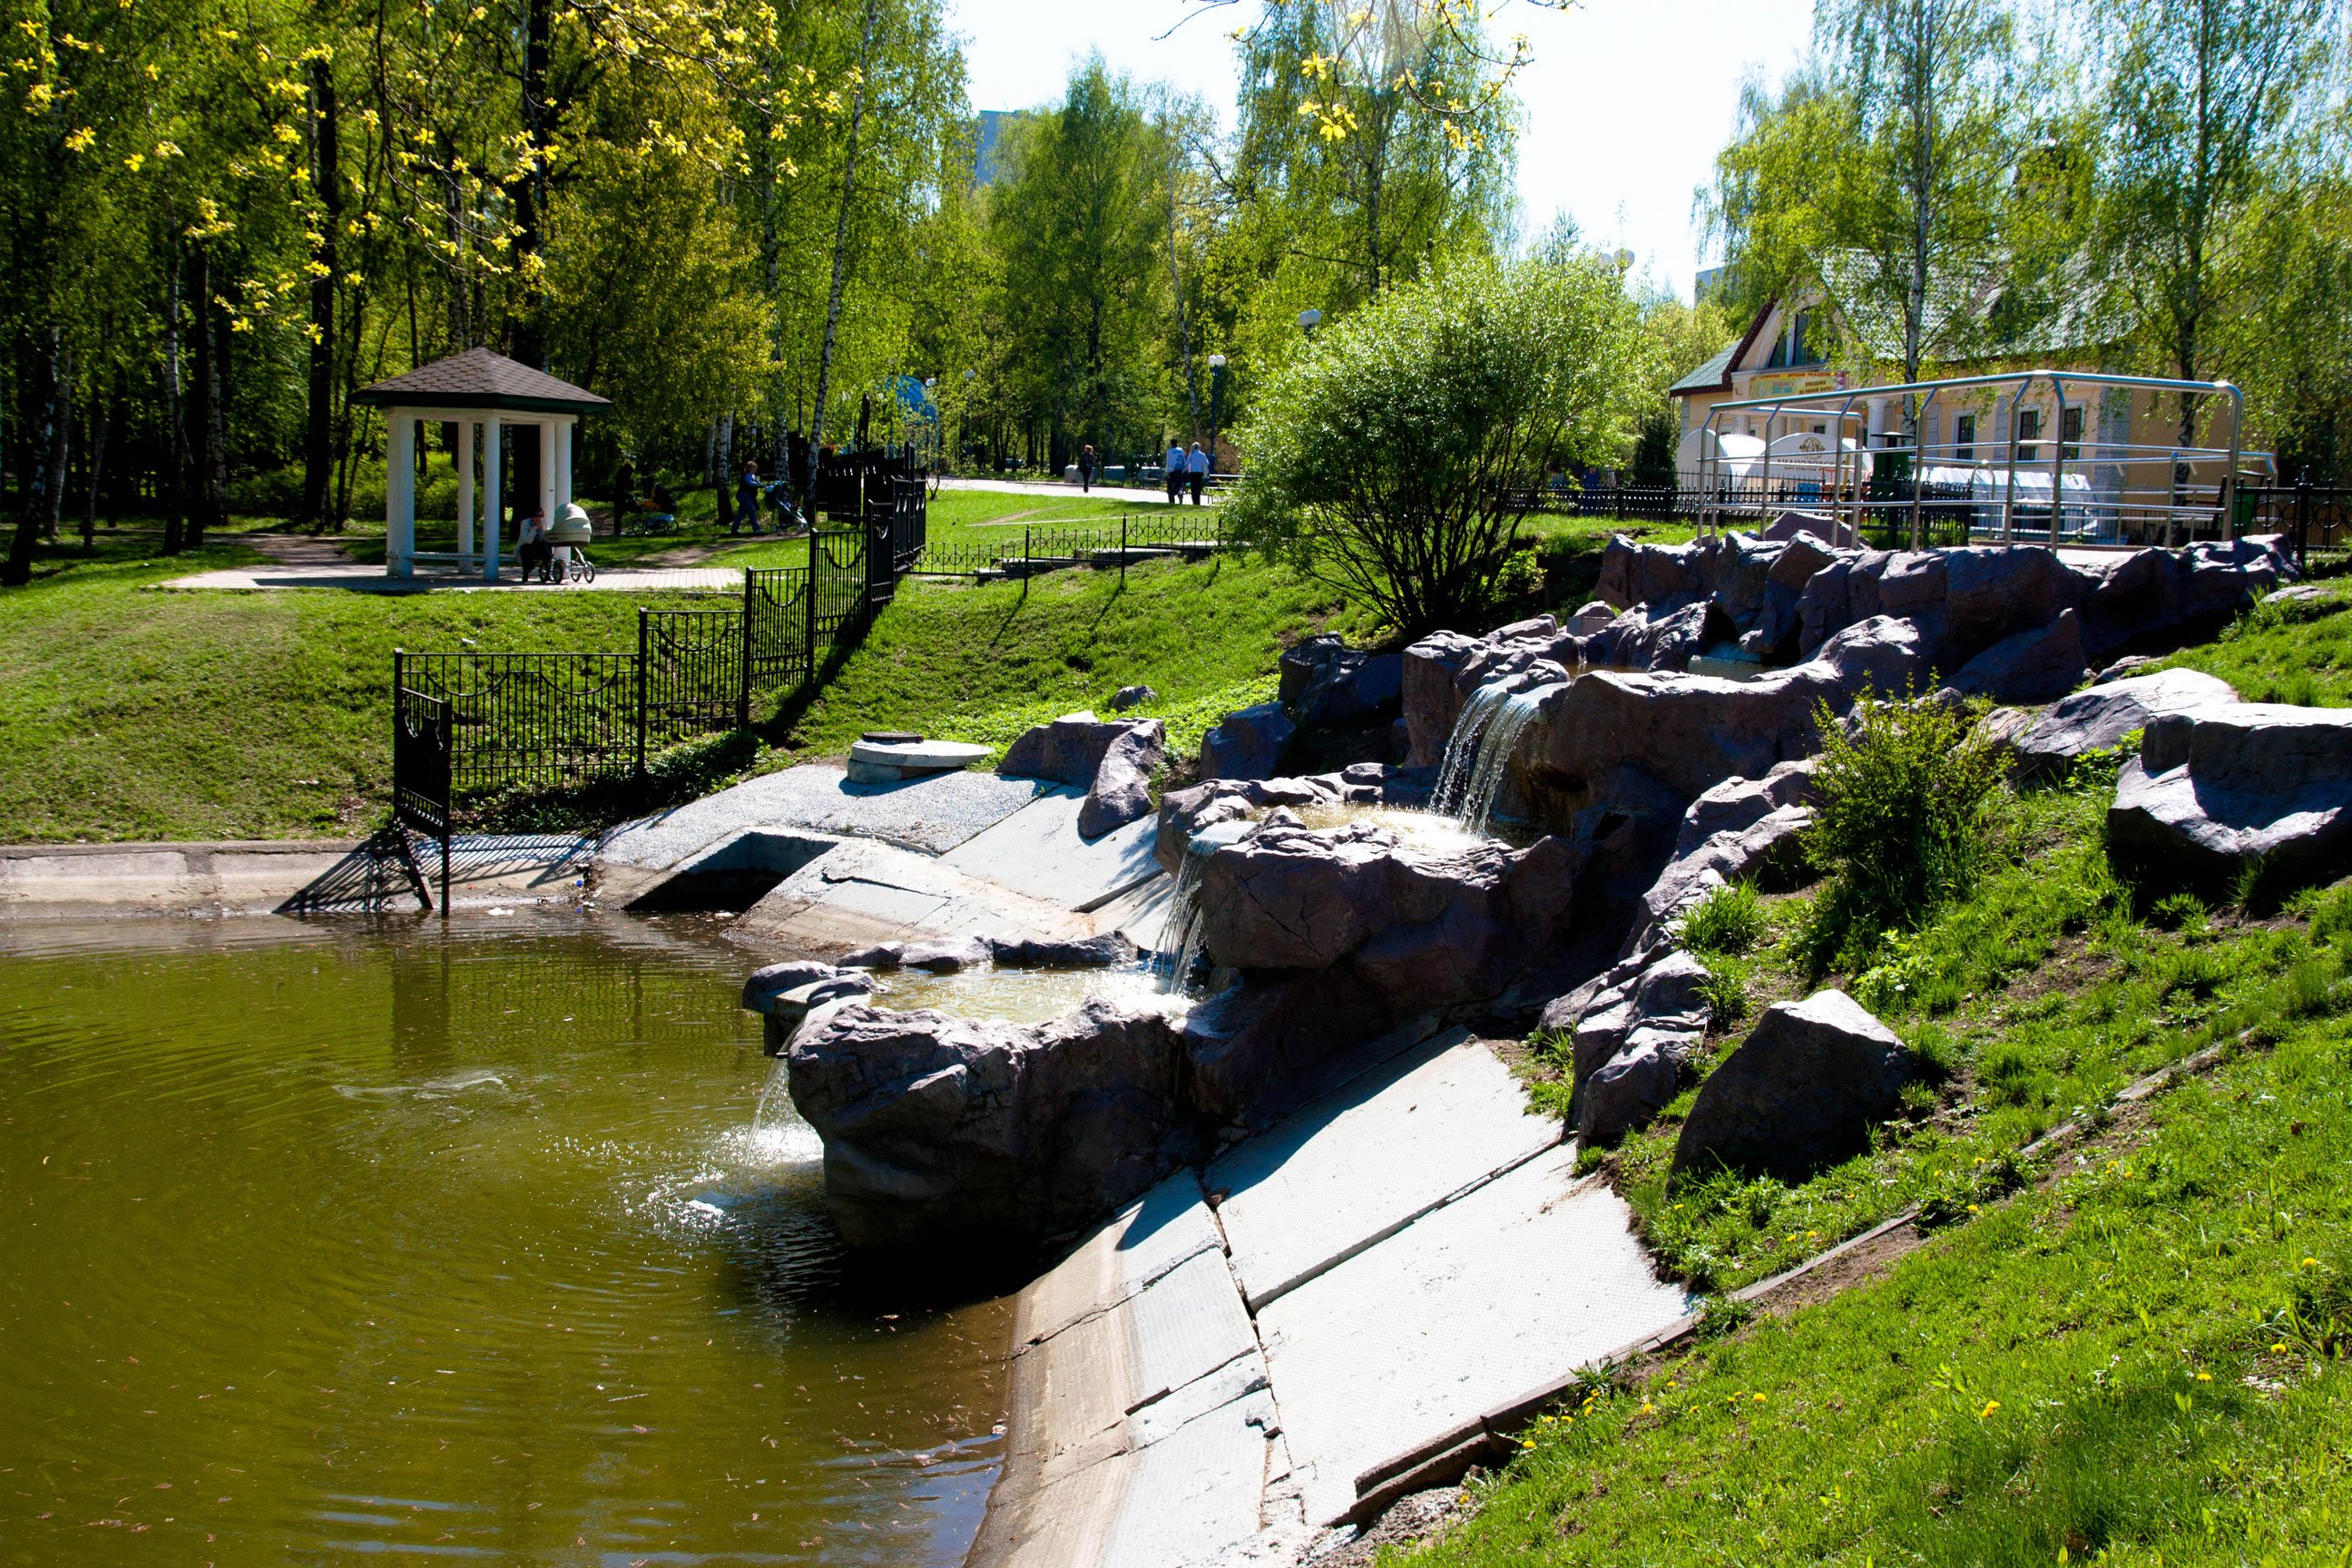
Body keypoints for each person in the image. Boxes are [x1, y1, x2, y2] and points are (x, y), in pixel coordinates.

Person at [516, 506, 551, 581]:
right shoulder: (525, 523)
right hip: (528, 548)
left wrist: (543, 530)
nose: (538, 518)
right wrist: (534, 529)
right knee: (524, 548)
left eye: (541, 516)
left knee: (548, 547)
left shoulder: (544, 523)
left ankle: (547, 573)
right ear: (532, 517)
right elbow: (527, 540)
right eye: (536, 516)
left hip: (540, 548)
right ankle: (525, 574)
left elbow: (547, 538)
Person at [737, 461, 761, 534]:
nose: (756, 469)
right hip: (743, 495)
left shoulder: (754, 476)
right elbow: (750, 483)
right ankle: (756, 529)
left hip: (748, 496)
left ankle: (734, 530)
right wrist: (759, 485)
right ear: (750, 468)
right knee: (751, 509)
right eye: (754, 468)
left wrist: (765, 485)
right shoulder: (747, 475)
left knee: (742, 513)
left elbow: (758, 483)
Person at [1186, 441, 1210, 505]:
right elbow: (1207, 463)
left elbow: (1187, 463)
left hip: (1192, 473)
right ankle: (1198, 502)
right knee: (1198, 488)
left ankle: (1194, 502)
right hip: (1199, 473)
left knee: (1193, 488)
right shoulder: (1202, 455)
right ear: (1199, 447)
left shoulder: (1191, 454)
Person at [1165, 441, 1186, 505]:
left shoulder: (1169, 451)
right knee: (1179, 485)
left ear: (1171, 444)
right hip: (1180, 470)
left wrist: (1167, 472)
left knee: (1170, 485)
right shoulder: (1181, 450)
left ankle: (1171, 499)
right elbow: (1183, 460)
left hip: (1172, 470)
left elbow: (1168, 462)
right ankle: (1180, 494)